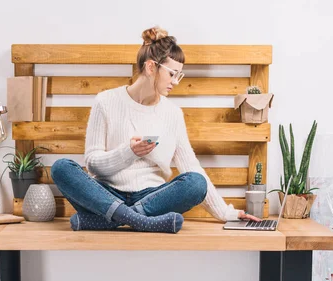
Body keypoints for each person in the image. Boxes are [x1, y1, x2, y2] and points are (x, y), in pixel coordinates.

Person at [51, 26, 261, 234]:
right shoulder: (106, 101)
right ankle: (138, 220)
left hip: (150, 198)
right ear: (151, 67)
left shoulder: (173, 114)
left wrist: (226, 212)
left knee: (196, 183)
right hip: (105, 195)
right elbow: (93, 166)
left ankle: (114, 219)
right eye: (172, 74)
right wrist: (128, 153)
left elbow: (191, 168)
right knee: (61, 167)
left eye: (179, 76)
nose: (175, 82)